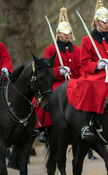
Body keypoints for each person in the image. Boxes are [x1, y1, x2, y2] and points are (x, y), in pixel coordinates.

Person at [67, 0, 108, 140]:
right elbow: (84, 62)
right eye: (103, 22)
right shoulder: (87, 40)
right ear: (96, 22)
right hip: (96, 74)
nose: (106, 24)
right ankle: (87, 123)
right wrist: (97, 65)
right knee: (90, 85)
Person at [34, 8, 83, 143]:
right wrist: (57, 72)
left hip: (74, 82)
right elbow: (44, 71)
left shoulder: (77, 50)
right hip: (56, 83)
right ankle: (43, 129)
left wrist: (81, 80)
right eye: (64, 32)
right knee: (46, 97)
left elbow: (81, 68)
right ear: (58, 33)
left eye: (68, 33)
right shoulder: (50, 50)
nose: (66, 35)